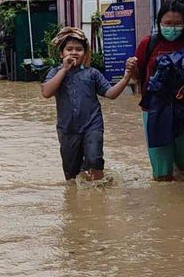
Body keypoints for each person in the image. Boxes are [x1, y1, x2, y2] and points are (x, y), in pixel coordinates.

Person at [41, 27, 134, 181]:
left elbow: (110, 94)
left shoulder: (92, 73)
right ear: (61, 53)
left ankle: (98, 195)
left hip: (93, 125)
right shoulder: (55, 72)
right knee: (71, 175)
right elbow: (46, 93)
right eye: (69, 49)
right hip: (67, 129)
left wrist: (126, 77)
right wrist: (64, 69)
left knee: (95, 161)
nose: (74, 52)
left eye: (79, 49)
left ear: (84, 53)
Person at [128, 0, 184, 181]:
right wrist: (131, 68)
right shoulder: (148, 43)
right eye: (167, 23)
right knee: (162, 173)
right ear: (159, 23)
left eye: (177, 24)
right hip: (155, 110)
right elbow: (137, 78)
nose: (172, 28)